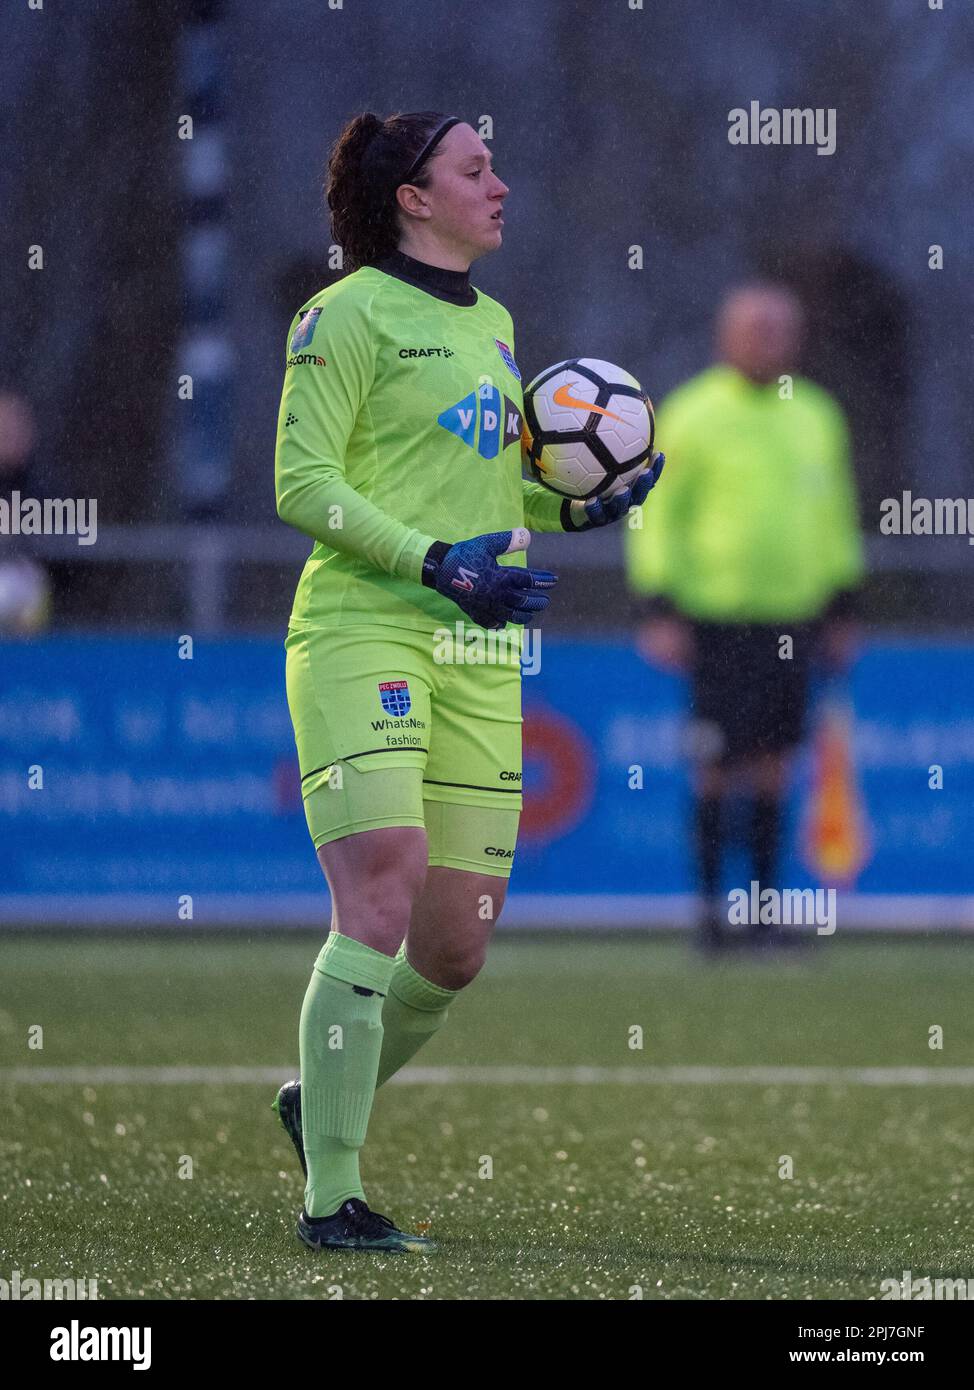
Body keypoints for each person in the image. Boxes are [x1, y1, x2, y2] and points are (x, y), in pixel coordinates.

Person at [272, 111, 664, 1252]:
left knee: (452, 945)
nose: (500, 184)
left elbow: (485, 491)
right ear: (412, 196)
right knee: (381, 893)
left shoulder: (493, 323)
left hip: (481, 652)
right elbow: (302, 481)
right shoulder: (339, 315)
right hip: (365, 631)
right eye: (475, 168)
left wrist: (568, 507)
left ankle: (315, 1101)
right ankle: (331, 1194)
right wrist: (431, 564)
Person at [625, 284, 864, 953]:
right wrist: (659, 605)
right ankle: (709, 919)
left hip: (794, 620)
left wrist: (843, 604)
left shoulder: (817, 413)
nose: (767, 340)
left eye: (778, 329)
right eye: (754, 328)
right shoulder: (693, 413)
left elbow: (835, 514)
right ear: (724, 337)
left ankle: (761, 916)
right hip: (714, 620)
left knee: (774, 767)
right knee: (714, 764)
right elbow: (655, 514)